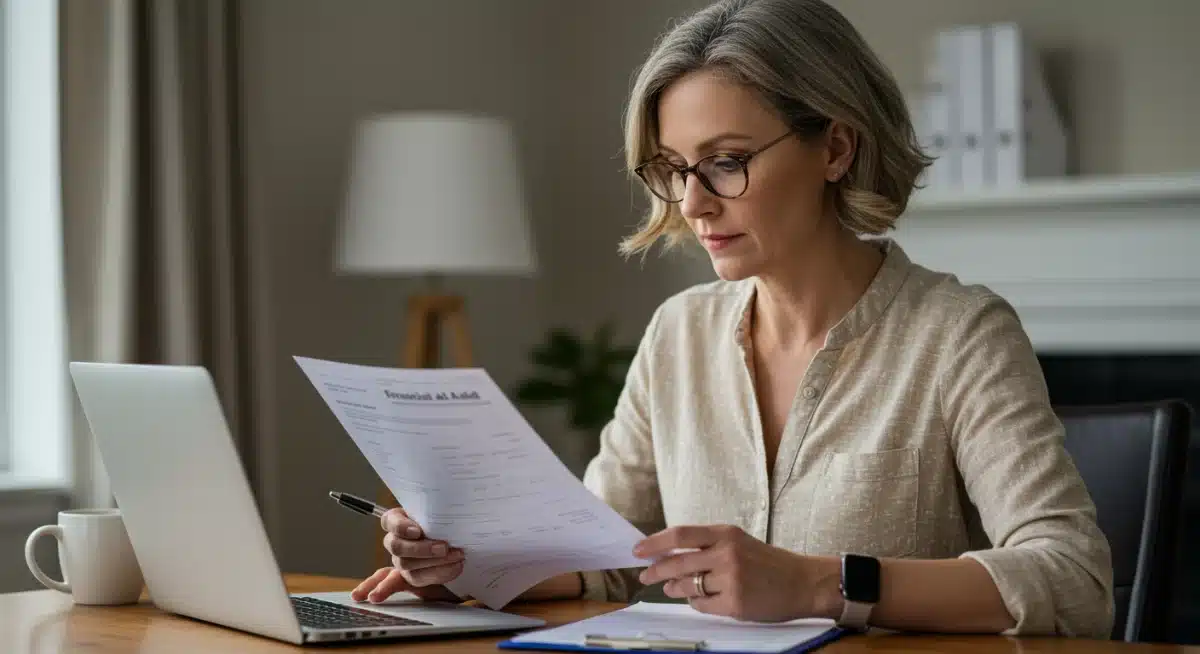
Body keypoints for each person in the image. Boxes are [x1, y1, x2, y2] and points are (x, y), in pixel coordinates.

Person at [350, 0, 1114, 637]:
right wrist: (467, 568)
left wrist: (821, 584)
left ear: (837, 148)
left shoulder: (959, 334)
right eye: (674, 168)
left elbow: (1074, 581)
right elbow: (604, 556)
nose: (692, 203)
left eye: (725, 160)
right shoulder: (677, 333)